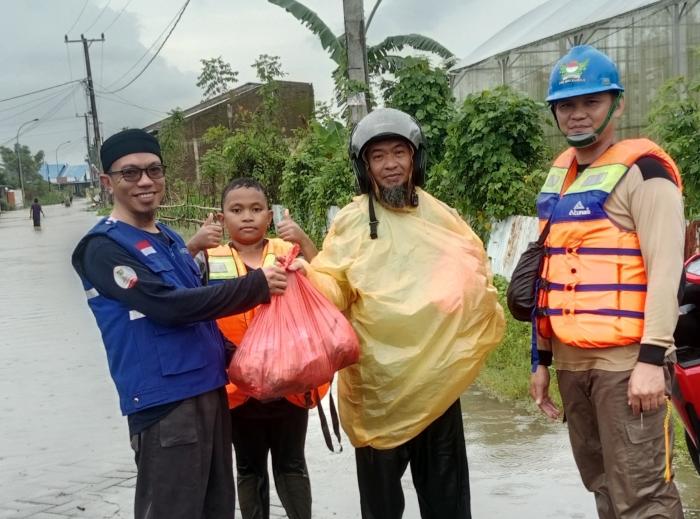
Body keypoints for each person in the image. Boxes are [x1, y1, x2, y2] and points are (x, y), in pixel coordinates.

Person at [290, 108, 505, 519]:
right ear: (364, 165)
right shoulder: (351, 222)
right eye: (378, 156)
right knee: (381, 507)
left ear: (415, 158)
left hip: (438, 384)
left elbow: (471, 273)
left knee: (447, 500)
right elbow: (335, 286)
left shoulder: (441, 216)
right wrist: (308, 278)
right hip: (377, 388)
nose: (390, 165)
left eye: (399, 153)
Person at [71, 129, 288, 519]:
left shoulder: (170, 239)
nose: (144, 181)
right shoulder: (102, 249)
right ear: (107, 182)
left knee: (216, 507)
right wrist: (255, 286)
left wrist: (248, 361)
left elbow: (200, 318)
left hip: (210, 391)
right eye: (130, 173)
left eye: (153, 170)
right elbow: (169, 307)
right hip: (165, 405)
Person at [529, 45, 685, 518]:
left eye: (590, 102)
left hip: (628, 364)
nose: (578, 115)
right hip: (573, 366)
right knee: (601, 485)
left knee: (643, 495)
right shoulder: (560, 176)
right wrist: (540, 358)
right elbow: (547, 270)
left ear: (617, 103)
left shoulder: (646, 172)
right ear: (556, 112)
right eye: (566, 105)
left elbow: (666, 270)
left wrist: (652, 360)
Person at [188, 177, 324, 519]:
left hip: (290, 383)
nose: (247, 216)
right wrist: (192, 246)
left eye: (256, 209)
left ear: (269, 215)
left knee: (291, 462)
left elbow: (326, 280)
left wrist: (304, 240)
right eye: (236, 210)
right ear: (222, 217)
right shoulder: (207, 259)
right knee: (248, 467)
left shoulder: (286, 250)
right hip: (238, 386)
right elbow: (176, 292)